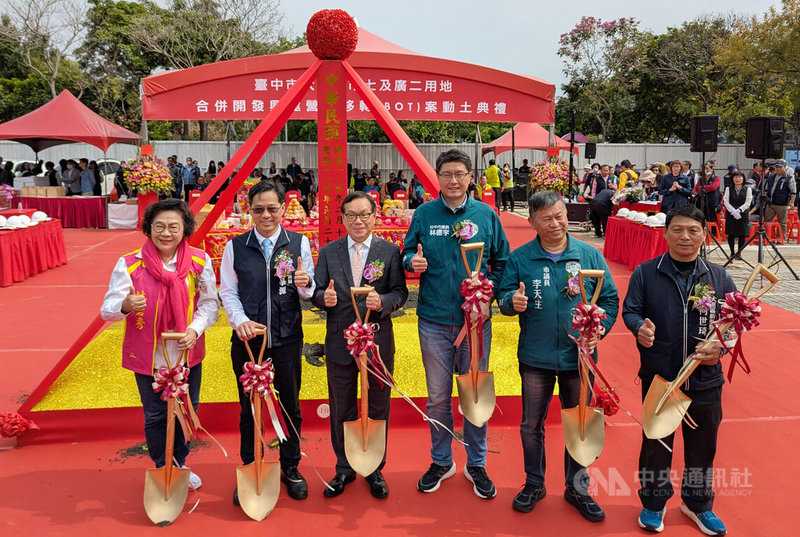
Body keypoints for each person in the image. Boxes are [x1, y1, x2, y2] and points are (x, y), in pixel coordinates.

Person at [497, 190, 618, 520]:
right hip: (535, 356)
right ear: (532, 222)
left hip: (578, 358)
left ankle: (577, 488)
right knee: (530, 425)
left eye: (560, 215)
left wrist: (598, 330)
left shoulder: (590, 256)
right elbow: (504, 297)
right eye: (547, 218)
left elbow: (608, 301)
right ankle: (534, 483)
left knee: (578, 424)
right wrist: (511, 303)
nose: (556, 223)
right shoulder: (520, 259)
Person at [402, 149, 510, 499]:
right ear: (438, 177)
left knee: (474, 392)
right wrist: (411, 262)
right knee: (437, 398)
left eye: (459, 174)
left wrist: (486, 290)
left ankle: (476, 463)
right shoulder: (424, 213)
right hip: (434, 319)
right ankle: (441, 460)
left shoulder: (486, 214)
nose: (453, 180)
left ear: (470, 177)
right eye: (446, 174)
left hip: (476, 321)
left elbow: (503, 261)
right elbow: (407, 251)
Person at [622, 204, 735, 536]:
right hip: (661, 376)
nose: (685, 237)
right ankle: (654, 503)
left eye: (693, 230)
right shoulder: (646, 272)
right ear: (666, 232)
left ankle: (697, 504)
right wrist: (638, 327)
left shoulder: (719, 276)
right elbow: (631, 310)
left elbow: (734, 323)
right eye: (678, 229)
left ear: (704, 234)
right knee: (657, 443)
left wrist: (722, 345)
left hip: (705, 379)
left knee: (703, 444)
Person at [101, 199, 219, 491]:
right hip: (148, 357)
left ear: (185, 230)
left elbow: (209, 305)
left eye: (173, 227)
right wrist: (125, 304)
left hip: (186, 353)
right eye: (159, 226)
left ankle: (179, 462)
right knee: (155, 415)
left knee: (185, 412)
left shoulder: (199, 262)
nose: (166, 233)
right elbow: (107, 310)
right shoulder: (129, 264)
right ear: (149, 229)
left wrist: (194, 329)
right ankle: (162, 466)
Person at [219, 180, 315, 505]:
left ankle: (290, 466)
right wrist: (240, 321)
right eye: (258, 209)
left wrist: (306, 283)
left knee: (290, 405)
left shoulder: (298, 243)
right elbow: (228, 291)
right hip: (248, 343)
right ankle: (252, 464)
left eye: (272, 208)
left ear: (283, 209)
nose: (265, 215)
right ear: (249, 210)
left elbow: (307, 289)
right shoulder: (235, 247)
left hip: (287, 339)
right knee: (249, 409)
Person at [311, 191, 408, 499]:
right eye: (351, 215)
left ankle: (376, 468)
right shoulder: (328, 252)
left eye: (364, 214)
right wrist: (321, 299)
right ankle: (343, 468)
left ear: (374, 216)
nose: (358, 221)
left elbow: (400, 292)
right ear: (342, 219)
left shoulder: (389, 251)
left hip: (377, 340)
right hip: (340, 340)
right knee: (342, 405)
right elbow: (317, 291)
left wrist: (384, 302)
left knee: (378, 404)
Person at [761, 158, 796, 239]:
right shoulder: (770, 177)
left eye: (780, 167)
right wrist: (766, 200)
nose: (778, 168)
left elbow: (793, 191)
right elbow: (766, 189)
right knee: (767, 221)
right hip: (770, 203)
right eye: (777, 167)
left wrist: (792, 202)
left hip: (782, 204)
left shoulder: (789, 178)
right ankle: (766, 237)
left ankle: (780, 237)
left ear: (784, 167)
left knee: (782, 222)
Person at [723, 170, 752, 259]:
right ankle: (732, 252)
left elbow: (748, 202)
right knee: (731, 233)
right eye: (735, 177)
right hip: (731, 213)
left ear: (743, 179)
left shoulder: (748, 189)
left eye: (740, 177)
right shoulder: (728, 189)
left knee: (742, 234)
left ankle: (739, 253)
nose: (737, 179)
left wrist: (739, 210)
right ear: (732, 179)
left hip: (743, 213)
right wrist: (733, 211)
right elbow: (726, 201)